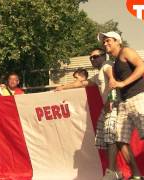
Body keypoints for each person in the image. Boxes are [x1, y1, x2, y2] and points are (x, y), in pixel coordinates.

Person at [98, 31, 144, 179]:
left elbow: (142, 67)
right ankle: (136, 174)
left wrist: (122, 83)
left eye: (108, 40)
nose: (105, 44)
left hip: (139, 98)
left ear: (117, 41)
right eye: (103, 42)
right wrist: (111, 99)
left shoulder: (126, 51)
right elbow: (112, 85)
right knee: (120, 139)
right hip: (123, 102)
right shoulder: (114, 63)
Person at [56, 48, 123, 179]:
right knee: (111, 140)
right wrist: (63, 87)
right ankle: (117, 172)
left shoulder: (107, 65)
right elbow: (83, 83)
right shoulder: (99, 75)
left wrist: (112, 99)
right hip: (109, 108)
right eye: (91, 57)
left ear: (104, 56)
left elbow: (112, 80)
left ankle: (111, 172)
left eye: (96, 56)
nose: (93, 59)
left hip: (113, 106)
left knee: (111, 139)